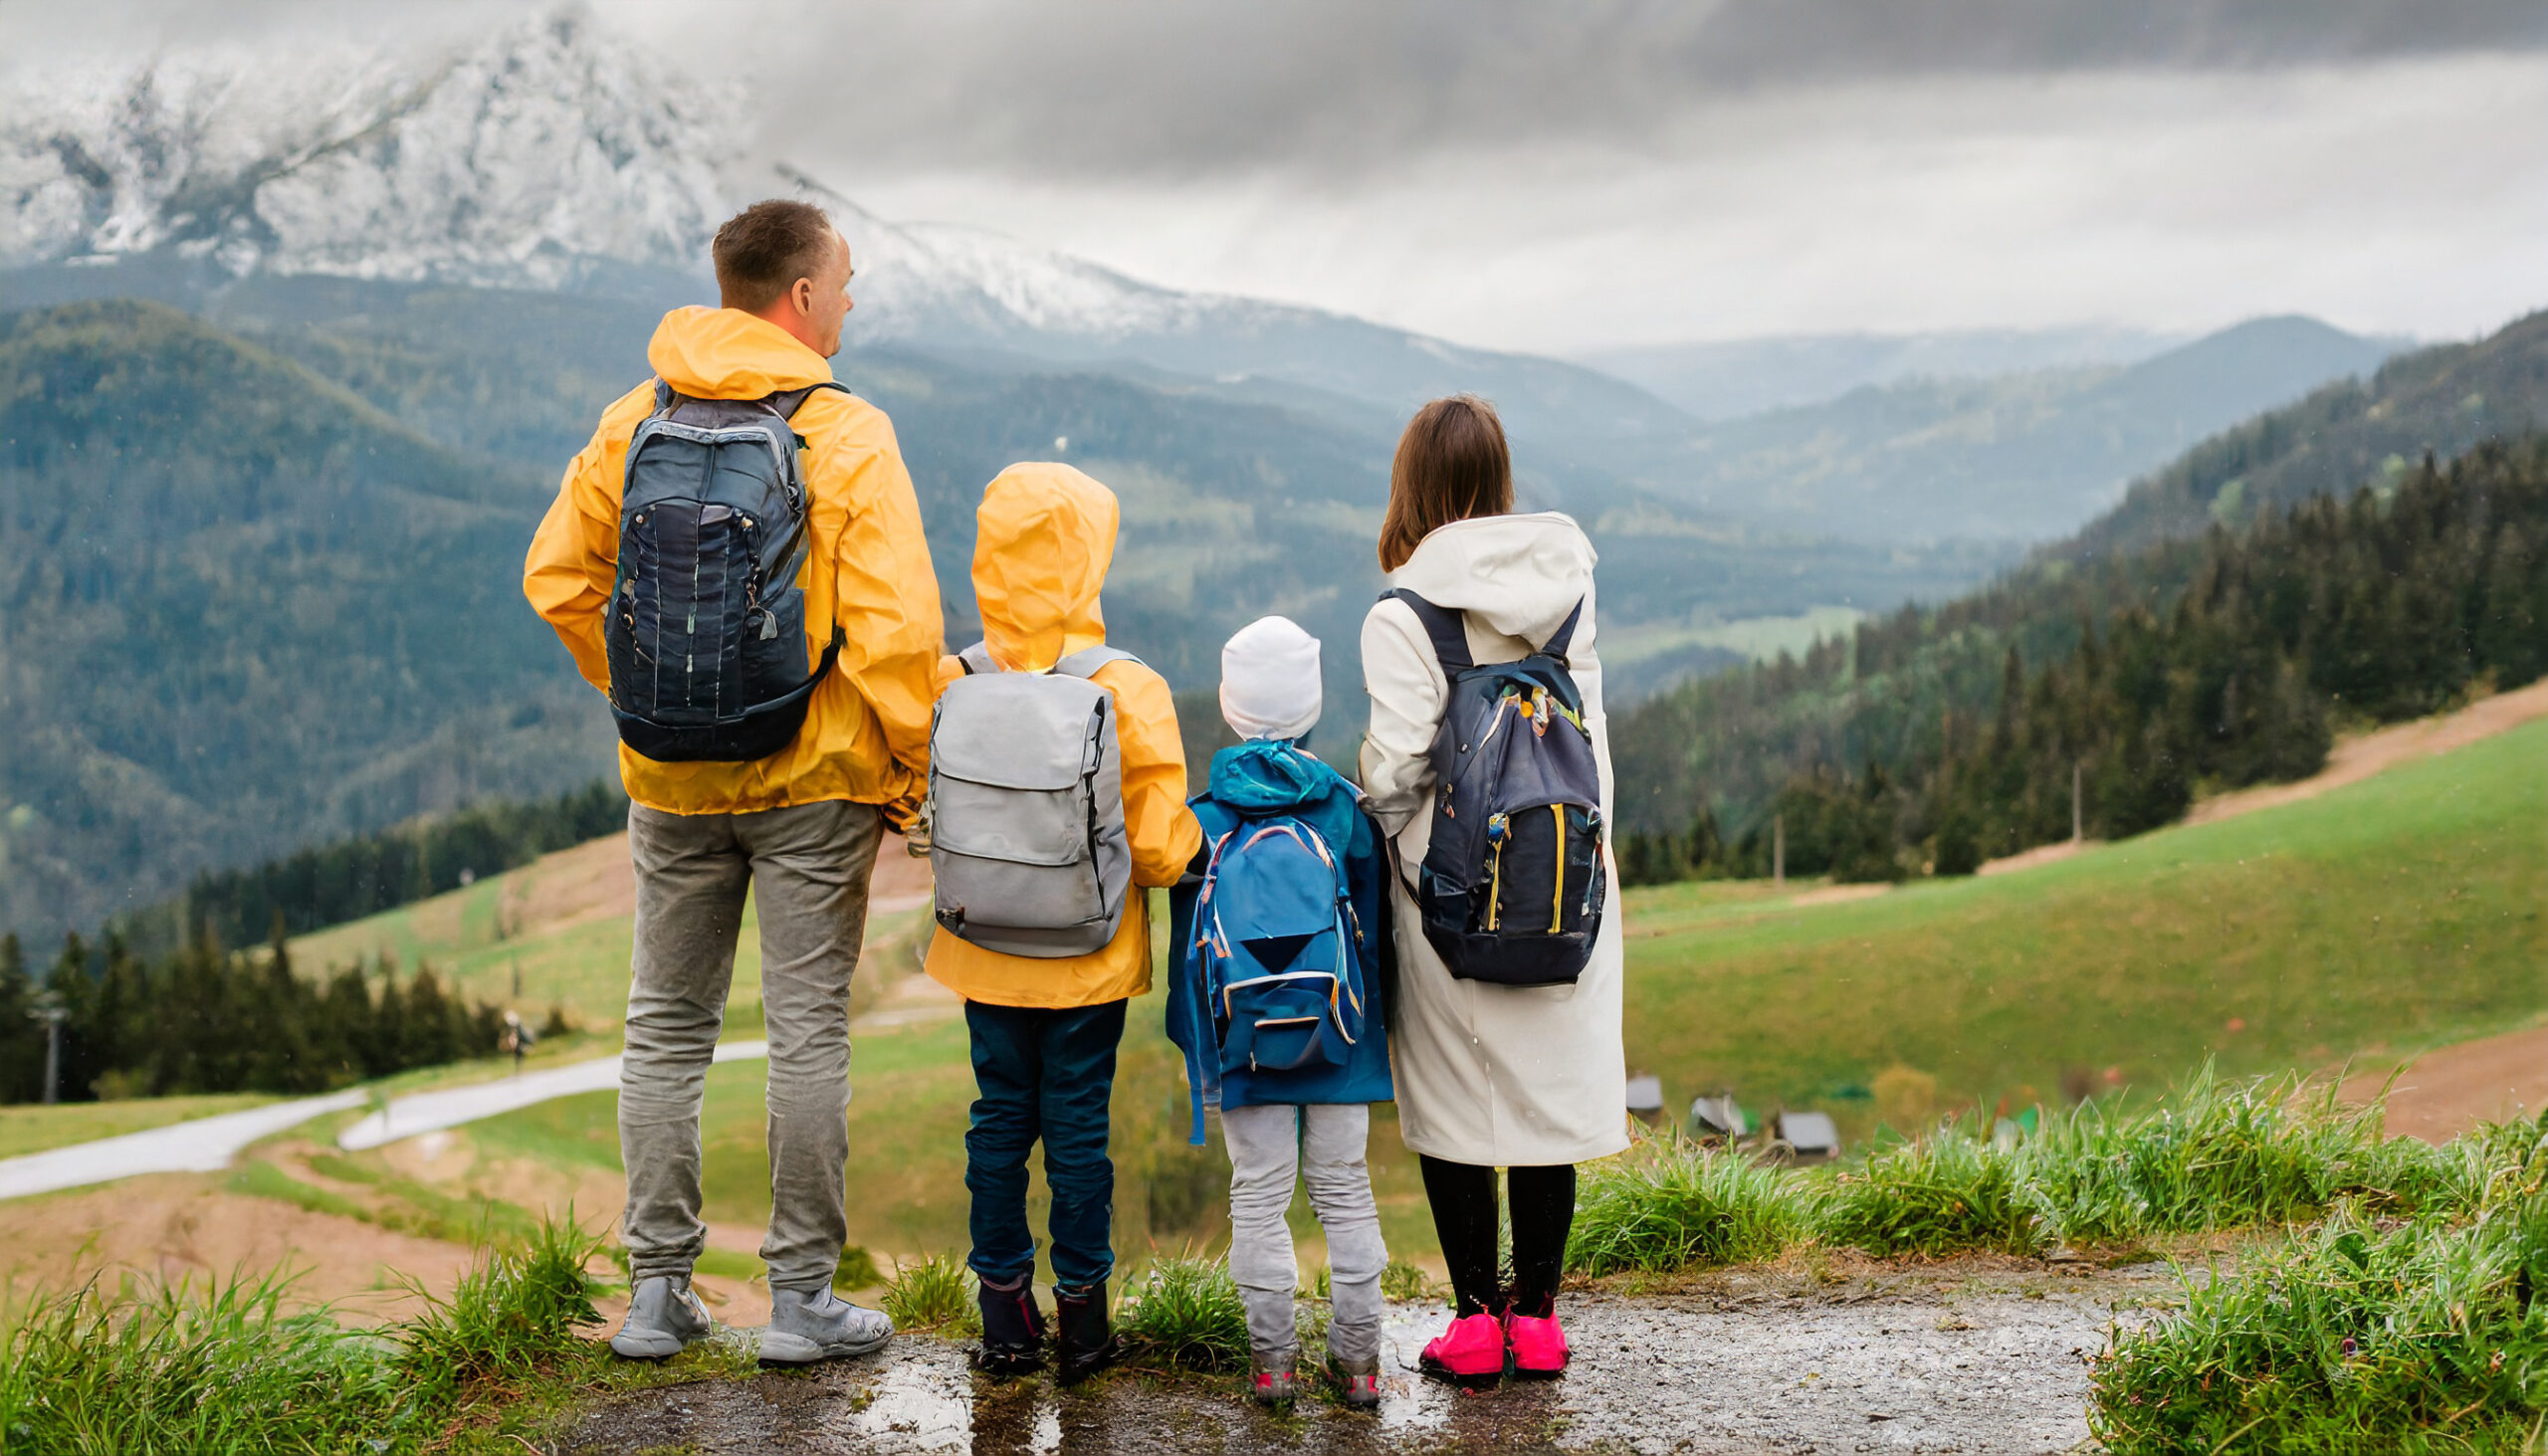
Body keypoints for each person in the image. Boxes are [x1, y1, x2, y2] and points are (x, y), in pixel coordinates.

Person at [524, 199, 943, 1363]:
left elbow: (556, 579)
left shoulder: (631, 421)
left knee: (664, 1029)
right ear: (800, 297)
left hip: (670, 781)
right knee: (809, 1030)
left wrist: (649, 697)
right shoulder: (846, 433)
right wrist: (907, 773)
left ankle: (658, 1293)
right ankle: (800, 1301)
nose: (850, 302)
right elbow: (897, 634)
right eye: (844, 282)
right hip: (814, 780)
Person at [1357, 395, 1627, 1384]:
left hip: (1451, 890)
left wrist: (1380, 834)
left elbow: (1393, 771)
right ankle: (1541, 1318)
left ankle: (1475, 1321)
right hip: (1566, 880)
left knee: (1458, 1096)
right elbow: (1589, 735)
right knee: (1545, 1091)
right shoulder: (1568, 592)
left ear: (1411, 486)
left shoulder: (1403, 614)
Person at [926, 463, 1202, 1384]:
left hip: (983, 945)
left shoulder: (951, 681)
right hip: (1088, 955)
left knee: (998, 1121)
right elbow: (1162, 852)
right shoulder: (1126, 687)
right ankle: (1084, 1320)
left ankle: (1005, 1314)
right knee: (1078, 1128)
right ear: (1091, 555)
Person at [1166, 616, 1391, 1409]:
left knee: (1258, 1192)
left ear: (1229, 706)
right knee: (1345, 1190)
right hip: (1340, 1038)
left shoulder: (1199, 821)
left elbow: (1186, 959)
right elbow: (1375, 936)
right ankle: (1358, 1363)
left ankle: (1272, 1365)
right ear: (1312, 706)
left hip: (1243, 1044)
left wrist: (1201, 1054)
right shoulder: (1345, 813)